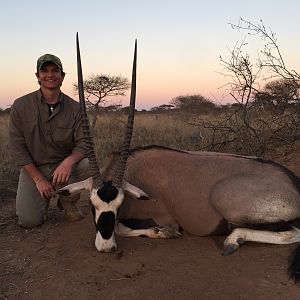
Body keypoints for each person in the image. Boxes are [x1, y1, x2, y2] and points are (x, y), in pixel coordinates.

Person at [9, 54, 91, 228]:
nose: (50, 74)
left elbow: (85, 143)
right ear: (38, 76)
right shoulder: (20, 106)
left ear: (62, 76)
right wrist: (38, 179)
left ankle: (67, 200)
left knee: (87, 165)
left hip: (63, 169)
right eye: (44, 71)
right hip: (34, 169)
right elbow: (17, 148)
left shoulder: (76, 108)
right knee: (28, 221)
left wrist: (68, 162)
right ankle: (42, 199)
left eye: (55, 71)